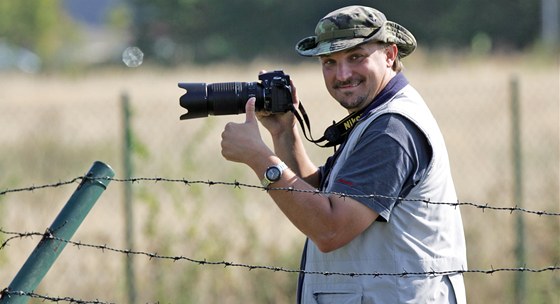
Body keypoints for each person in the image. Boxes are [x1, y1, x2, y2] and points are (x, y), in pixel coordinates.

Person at [220, 5, 467, 304]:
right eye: (329, 62)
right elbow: (321, 197)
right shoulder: (375, 117)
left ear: (390, 55)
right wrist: (284, 132)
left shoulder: (391, 129)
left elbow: (330, 229)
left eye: (356, 57)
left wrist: (260, 159)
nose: (343, 74)